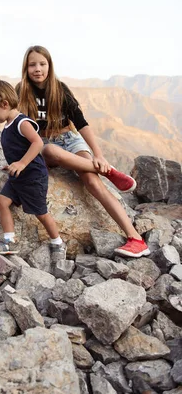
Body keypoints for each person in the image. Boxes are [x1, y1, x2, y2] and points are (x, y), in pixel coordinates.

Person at [16, 45, 150, 258]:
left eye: (42, 64)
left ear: (50, 66)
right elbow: (18, 125)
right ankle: (108, 171)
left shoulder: (60, 89)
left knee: (92, 181)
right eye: (32, 64)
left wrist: (98, 155)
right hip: (44, 143)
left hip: (70, 138)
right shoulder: (21, 92)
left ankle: (136, 239)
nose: (38, 69)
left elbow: (81, 123)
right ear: (26, 67)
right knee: (49, 150)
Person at [0, 79, 66, 258]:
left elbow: (37, 142)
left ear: (4, 104)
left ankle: (57, 242)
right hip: (17, 177)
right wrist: (13, 165)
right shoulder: (8, 126)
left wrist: (22, 163)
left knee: (41, 213)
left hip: (32, 177)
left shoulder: (22, 123)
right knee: (2, 202)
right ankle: (9, 240)